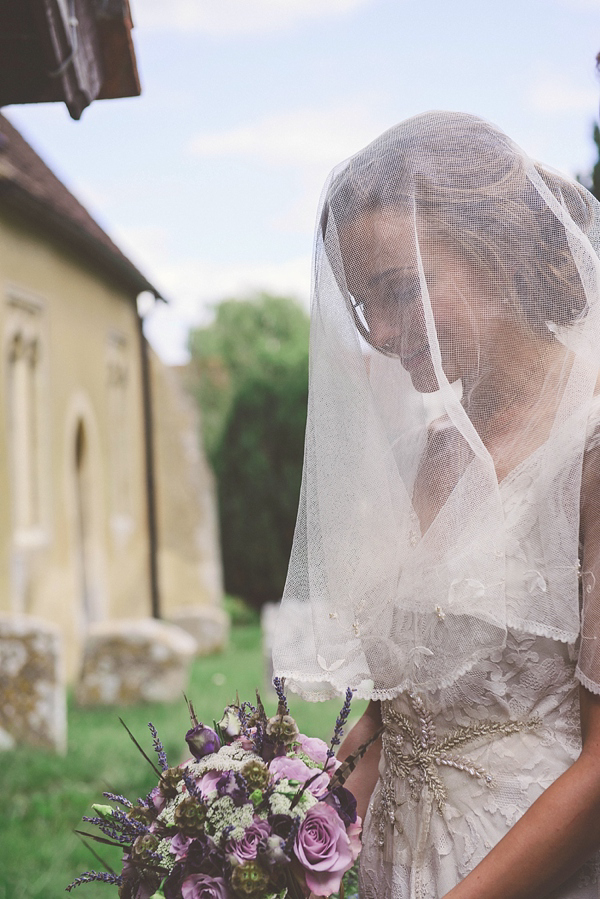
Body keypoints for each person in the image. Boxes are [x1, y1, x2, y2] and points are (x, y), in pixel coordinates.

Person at [272, 111, 600, 898]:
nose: (381, 333)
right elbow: (401, 721)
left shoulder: (587, 449)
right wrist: (263, 842)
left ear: (500, 252)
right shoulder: (417, 458)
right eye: (363, 306)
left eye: (400, 290)